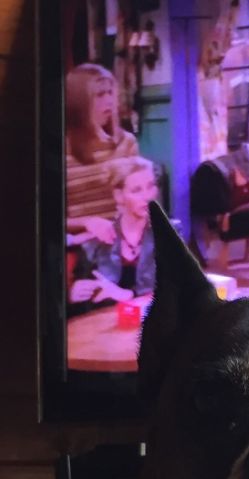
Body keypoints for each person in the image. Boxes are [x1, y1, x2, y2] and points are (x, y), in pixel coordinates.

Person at [65, 63, 139, 246]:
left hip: (123, 245)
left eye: (110, 93)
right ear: (79, 101)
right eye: (99, 95)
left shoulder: (126, 143)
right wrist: (87, 222)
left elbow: (140, 202)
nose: (109, 101)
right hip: (79, 246)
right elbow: (46, 218)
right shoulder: (61, 150)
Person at [69, 157, 157, 309]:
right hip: (107, 321)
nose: (147, 196)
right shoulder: (95, 243)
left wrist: (127, 295)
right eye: (137, 190)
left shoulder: (170, 234)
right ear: (119, 196)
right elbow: (83, 307)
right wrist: (70, 296)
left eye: (151, 186)